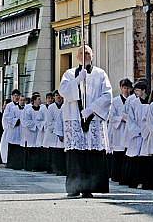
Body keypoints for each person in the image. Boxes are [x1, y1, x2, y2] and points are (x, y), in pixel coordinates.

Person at [59, 45, 113, 198]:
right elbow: (63, 91)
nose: (85, 55)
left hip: (93, 117)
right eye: (82, 53)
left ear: (93, 55)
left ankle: (89, 187)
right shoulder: (69, 73)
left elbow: (107, 95)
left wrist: (91, 109)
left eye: (88, 53)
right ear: (77, 57)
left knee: (91, 154)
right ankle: (75, 187)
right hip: (75, 117)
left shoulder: (100, 73)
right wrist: (78, 79)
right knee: (76, 154)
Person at [123, 79, 149, 188]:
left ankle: (142, 181)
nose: (136, 93)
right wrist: (137, 131)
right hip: (137, 134)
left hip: (146, 134)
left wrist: (147, 131)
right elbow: (130, 118)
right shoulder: (133, 102)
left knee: (143, 159)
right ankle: (133, 181)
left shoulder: (149, 102)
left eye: (138, 91)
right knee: (133, 158)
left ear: (143, 91)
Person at [108, 78, 132, 183]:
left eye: (128, 88)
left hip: (129, 129)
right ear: (121, 88)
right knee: (117, 154)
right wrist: (121, 118)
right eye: (124, 88)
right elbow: (111, 116)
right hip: (119, 130)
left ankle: (125, 176)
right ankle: (116, 175)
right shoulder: (115, 101)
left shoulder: (132, 100)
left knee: (127, 154)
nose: (126, 90)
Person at [1, 89, 25, 170]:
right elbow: (6, 117)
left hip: (21, 129)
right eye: (15, 96)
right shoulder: (9, 106)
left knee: (19, 146)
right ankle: (10, 163)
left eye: (18, 95)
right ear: (12, 97)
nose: (16, 97)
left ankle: (19, 163)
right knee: (12, 146)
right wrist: (15, 121)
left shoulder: (23, 106)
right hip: (12, 128)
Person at [45, 91, 66, 175]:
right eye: (57, 95)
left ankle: (62, 169)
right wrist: (57, 127)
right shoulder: (51, 107)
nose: (59, 97)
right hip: (53, 132)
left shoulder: (64, 106)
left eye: (60, 95)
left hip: (63, 132)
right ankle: (54, 169)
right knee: (54, 152)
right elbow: (49, 121)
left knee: (61, 152)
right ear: (54, 97)